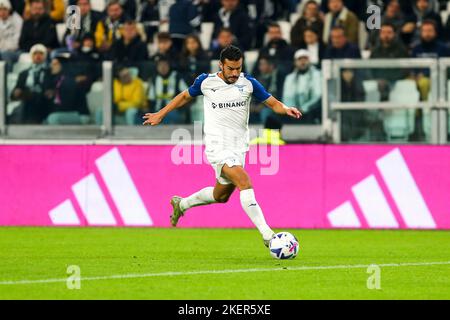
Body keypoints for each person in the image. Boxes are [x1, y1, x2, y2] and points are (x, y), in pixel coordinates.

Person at [142, 45, 302, 246]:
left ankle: (182, 204)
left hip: (238, 148)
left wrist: (286, 109)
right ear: (221, 65)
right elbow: (184, 96)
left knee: (221, 196)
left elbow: (272, 103)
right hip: (217, 146)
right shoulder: (206, 82)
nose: (235, 73)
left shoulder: (248, 83)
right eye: (230, 69)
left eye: (238, 68)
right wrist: (160, 114)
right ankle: (268, 236)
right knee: (244, 181)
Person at [9, 44, 52, 124]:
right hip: (27, 100)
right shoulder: (24, 73)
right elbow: (15, 92)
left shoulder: (50, 72)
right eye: (35, 53)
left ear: (45, 56)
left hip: (44, 101)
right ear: (31, 56)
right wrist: (16, 92)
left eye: (41, 53)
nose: (38, 56)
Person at [282, 49, 321, 124]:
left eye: (305, 59)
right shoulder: (289, 77)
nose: (302, 62)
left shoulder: (317, 74)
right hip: (293, 112)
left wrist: (304, 109)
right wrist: (293, 110)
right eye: (300, 59)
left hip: (310, 109)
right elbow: (287, 97)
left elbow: (317, 96)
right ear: (295, 62)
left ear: (309, 61)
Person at [148, 58, 188, 124]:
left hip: (174, 111)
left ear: (169, 66)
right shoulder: (154, 79)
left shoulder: (177, 77)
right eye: (160, 66)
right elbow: (150, 98)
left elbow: (186, 94)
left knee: (170, 117)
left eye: (165, 65)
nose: (163, 68)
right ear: (157, 67)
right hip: (157, 110)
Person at [0, 0, 23, 71]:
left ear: (9, 10)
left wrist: (4, 49)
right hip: (1, 50)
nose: (2, 12)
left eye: (5, 9)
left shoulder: (17, 20)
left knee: (5, 55)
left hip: (15, 50)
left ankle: (7, 78)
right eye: (0, 9)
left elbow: (17, 41)